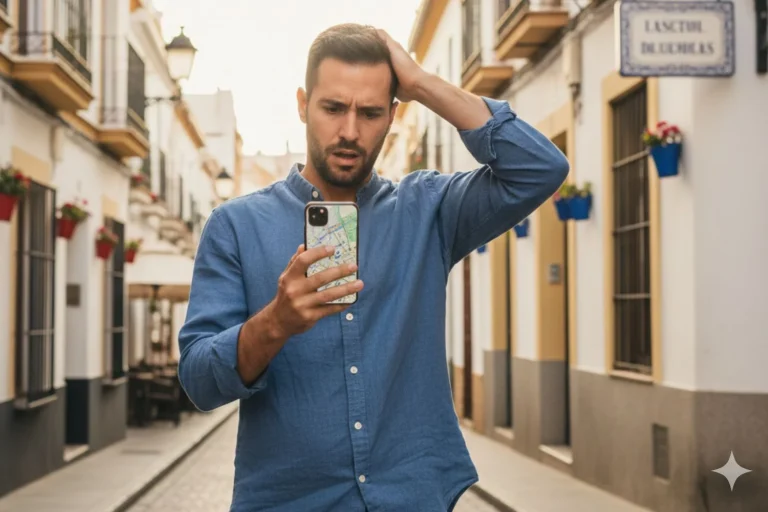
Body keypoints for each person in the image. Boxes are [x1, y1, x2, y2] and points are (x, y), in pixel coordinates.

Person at [178, 23, 569, 512]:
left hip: (415, 496)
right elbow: (198, 382)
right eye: (333, 108)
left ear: (392, 114)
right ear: (303, 105)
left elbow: (540, 169)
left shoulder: (428, 210)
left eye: (370, 112)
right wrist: (274, 323)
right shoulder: (235, 226)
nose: (349, 131)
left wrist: (423, 83)